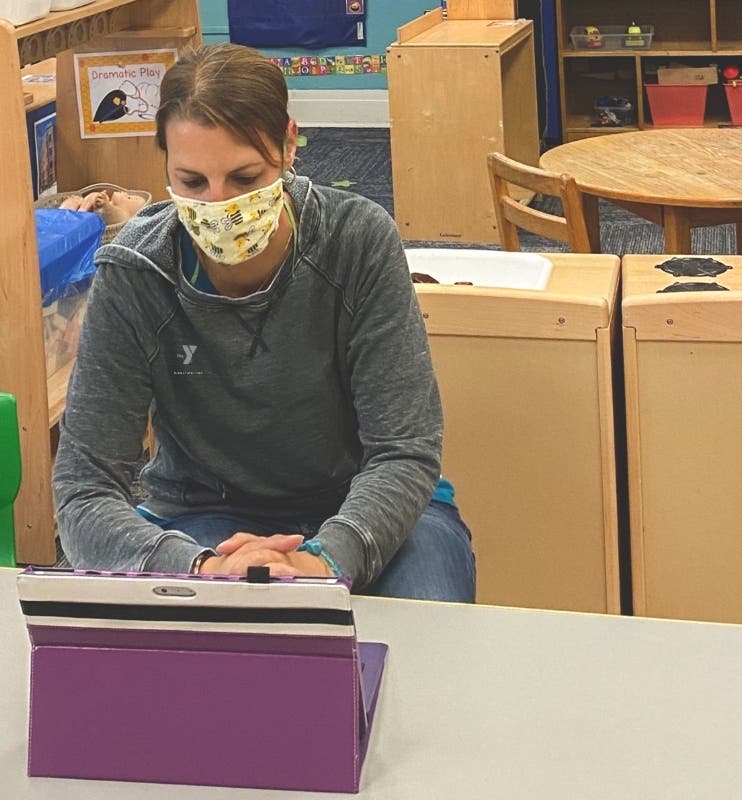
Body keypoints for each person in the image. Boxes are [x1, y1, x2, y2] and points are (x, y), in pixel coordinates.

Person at [53, 42, 475, 601]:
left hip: (373, 505)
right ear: (164, 167)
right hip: (201, 513)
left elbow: (404, 450)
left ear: (288, 145)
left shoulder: (357, 240)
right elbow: (85, 488)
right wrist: (200, 566)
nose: (220, 204)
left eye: (245, 178)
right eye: (193, 182)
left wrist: (323, 561)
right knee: (203, 667)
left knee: (422, 640)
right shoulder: (137, 271)